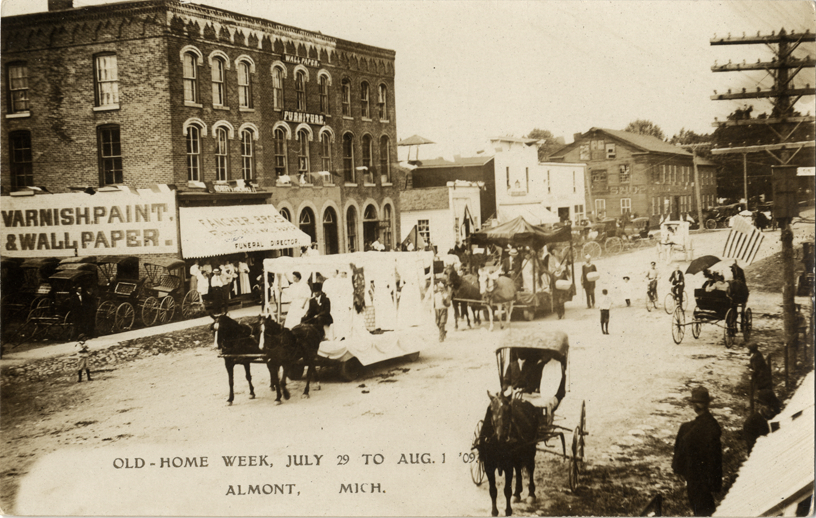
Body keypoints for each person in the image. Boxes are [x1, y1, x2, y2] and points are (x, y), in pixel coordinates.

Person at [672, 386, 723, 517]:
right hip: (701, 478)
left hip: (698, 478)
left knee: (702, 510)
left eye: (696, 402)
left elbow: (714, 457)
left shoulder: (695, 428)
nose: (695, 405)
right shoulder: (709, 424)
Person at [747, 343, 781, 416]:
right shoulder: (758, 354)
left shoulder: (755, 357)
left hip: (761, 378)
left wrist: (751, 372)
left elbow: (756, 369)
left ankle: (770, 409)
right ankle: (774, 407)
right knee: (767, 392)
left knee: (764, 393)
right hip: (764, 376)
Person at [742, 389, 775, 454]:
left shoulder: (773, 416)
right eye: (768, 406)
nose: (772, 410)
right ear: (760, 405)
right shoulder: (751, 423)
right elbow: (753, 447)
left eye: (773, 406)